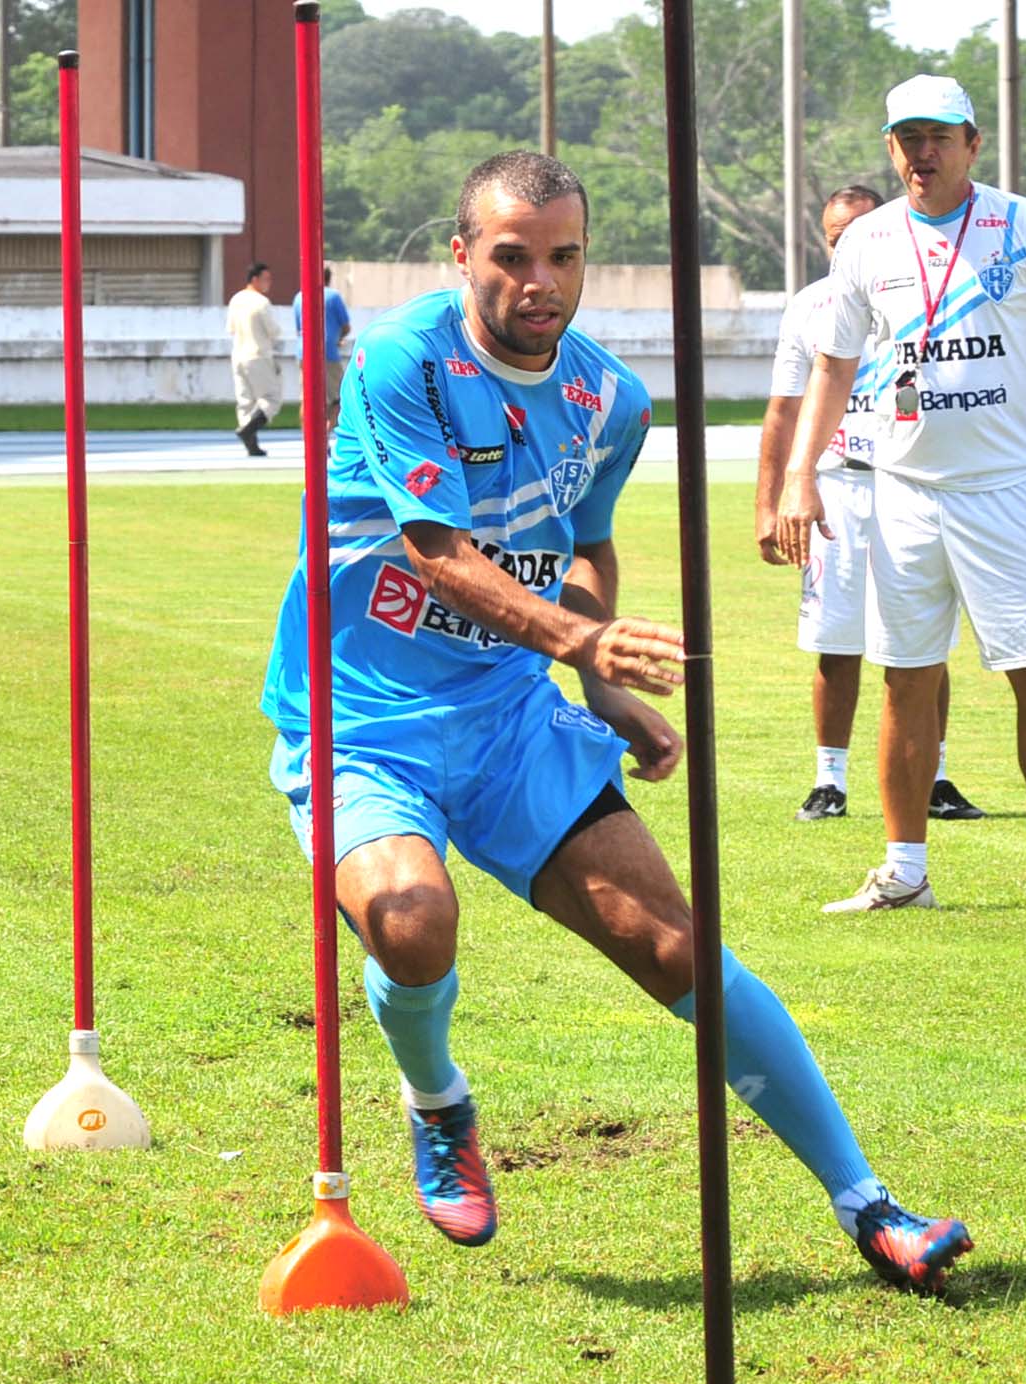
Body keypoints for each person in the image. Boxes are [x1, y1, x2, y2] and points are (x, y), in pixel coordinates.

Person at [259, 150, 971, 1294]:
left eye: (563, 256)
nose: (538, 281)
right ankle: (438, 1101)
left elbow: (584, 546)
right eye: (510, 256)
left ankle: (870, 1204)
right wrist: (581, 646)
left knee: (674, 945)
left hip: (507, 719)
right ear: (461, 255)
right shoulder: (400, 360)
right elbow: (438, 556)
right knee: (408, 915)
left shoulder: (613, 401)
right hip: (364, 718)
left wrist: (598, 684)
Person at [773, 75, 1026, 915]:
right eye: (907, 138)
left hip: (1007, 491)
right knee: (905, 679)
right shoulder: (867, 241)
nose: (922, 153)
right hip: (902, 493)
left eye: (939, 137)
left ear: (973, 142)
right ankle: (904, 873)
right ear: (890, 147)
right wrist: (798, 474)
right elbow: (833, 366)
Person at [756, 183, 985, 826]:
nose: (846, 244)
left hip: (907, 482)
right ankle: (829, 780)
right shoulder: (809, 307)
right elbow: (784, 411)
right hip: (836, 489)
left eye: (858, 230)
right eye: (836, 236)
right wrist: (769, 504)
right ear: (824, 240)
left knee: (923, 641)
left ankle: (934, 777)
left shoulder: (921, 296)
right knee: (835, 641)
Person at [290, 264, 355, 437]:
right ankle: (324, 434)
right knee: (338, 396)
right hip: (327, 352)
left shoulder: (299, 297)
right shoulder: (333, 296)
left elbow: (298, 329)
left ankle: (307, 435)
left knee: (307, 396)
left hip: (303, 351)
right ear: (328, 278)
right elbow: (346, 326)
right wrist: (338, 338)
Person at [227, 262, 282, 457]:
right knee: (271, 398)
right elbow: (274, 331)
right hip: (258, 354)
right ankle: (249, 430)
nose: (269, 283)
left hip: (238, 354)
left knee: (245, 401)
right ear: (255, 279)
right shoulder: (261, 302)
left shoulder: (236, 299)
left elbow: (231, 328)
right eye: (266, 279)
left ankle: (251, 443)